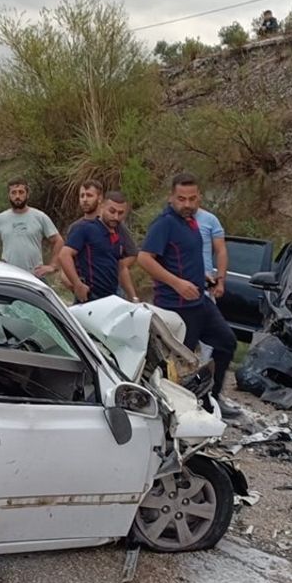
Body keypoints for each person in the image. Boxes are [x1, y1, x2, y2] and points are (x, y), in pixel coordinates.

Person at [137, 173, 241, 418]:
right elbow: (144, 258)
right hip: (176, 305)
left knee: (226, 342)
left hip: (200, 300)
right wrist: (177, 283)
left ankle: (212, 400)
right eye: (181, 199)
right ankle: (173, 410)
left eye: (192, 199)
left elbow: (184, 258)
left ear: (199, 198)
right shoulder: (164, 223)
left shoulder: (192, 222)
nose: (187, 204)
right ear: (171, 197)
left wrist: (203, 278)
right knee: (178, 362)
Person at [62, 181, 138, 300]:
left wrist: (134, 298)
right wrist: (77, 284)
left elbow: (122, 266)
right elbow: (64, 255)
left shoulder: (118, 230)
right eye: (112, 211)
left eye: (120, 213)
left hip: (113, 295)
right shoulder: (83, 228)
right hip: (91, 296)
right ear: (102, 206)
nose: (116, 217)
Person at [0, 178, 61, 276]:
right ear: (9, 195)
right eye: (13, 193)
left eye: (21, 192)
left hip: (35, 275)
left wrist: (53, 266)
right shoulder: (0, 219)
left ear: (27, 194)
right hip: (10, 276)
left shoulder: (40, 217)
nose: (17, 196)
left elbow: (58, 241)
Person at [196, 207, 228, 303]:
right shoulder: (170, 220)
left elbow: (221, 251)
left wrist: (220, 281)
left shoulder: (210, 220)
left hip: (205, 286)